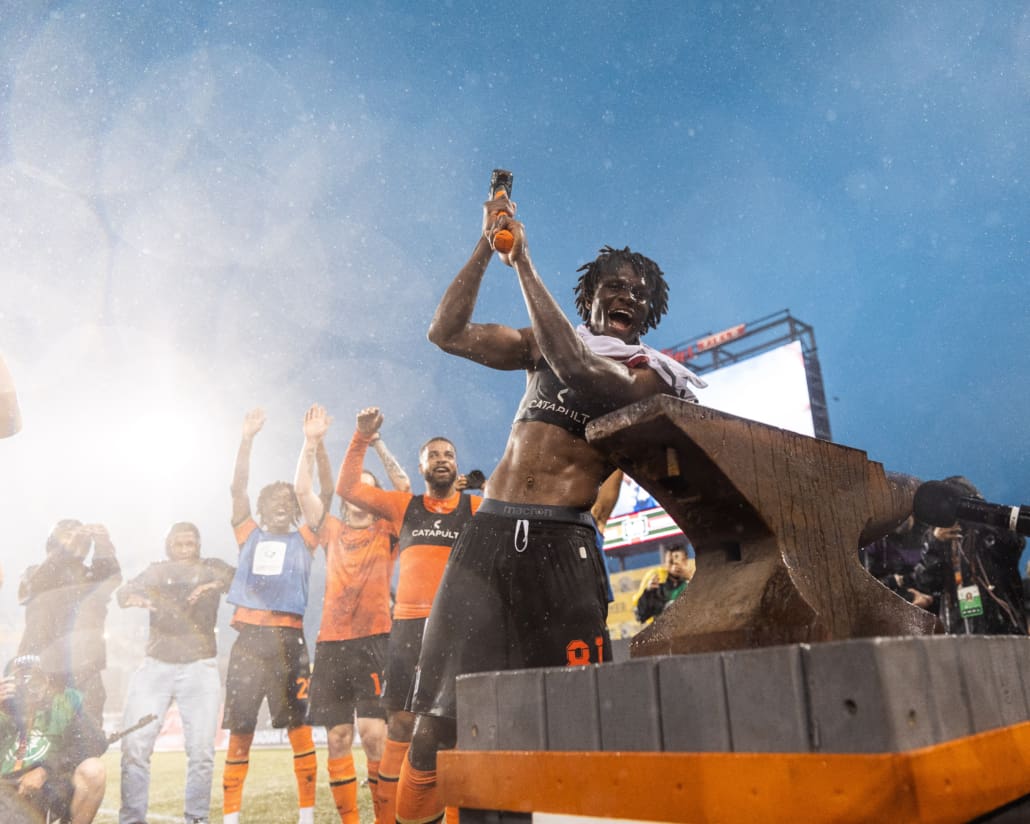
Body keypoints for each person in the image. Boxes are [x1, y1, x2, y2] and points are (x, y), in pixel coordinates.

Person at [399, 189, 706, 823]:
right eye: (615, 285)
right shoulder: (541, 342)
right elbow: (445, 331)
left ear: (649, 315)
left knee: (560, 721)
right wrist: (488, 247)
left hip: (562, 543)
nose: (627, 295)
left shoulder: (653, 373)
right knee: (441, 724)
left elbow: (582, 370)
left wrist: (525, 265)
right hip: (488, 536)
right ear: (589, 295)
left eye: (640, 292)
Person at [336, 407, 481, 824]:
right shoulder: (405, 507)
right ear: (420, 467)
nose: (441, 459)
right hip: (409, 628)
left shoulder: (475, 509)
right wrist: (361, 437)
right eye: (433, 454)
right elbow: (347, 487)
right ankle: (389, 819)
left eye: (448, 455)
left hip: (457, 629)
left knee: (455, 727)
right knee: (400, 723)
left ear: (455, 467)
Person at [293, 404, 409, 824]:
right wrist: (309, 444)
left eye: (367, 489)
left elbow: (402, 485)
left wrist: (374, 441)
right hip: (332, 644)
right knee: (338, 736)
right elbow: (303, 492)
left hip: (376, 642)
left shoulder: (388, 531)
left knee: (374, 735)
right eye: (354, 488)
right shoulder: (331, 531)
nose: (359, 495)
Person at [221, 408, 322, 824]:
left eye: (288, 502)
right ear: (263, 508)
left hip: (288, 642)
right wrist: (246, 440)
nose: (282, 505)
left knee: (298, 727)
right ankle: (230, 817)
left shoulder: (306, 537)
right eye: (273, 501)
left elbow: (305, 492)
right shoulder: (248, 533)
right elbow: (237, 488)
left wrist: (310, 443)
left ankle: (307, 816)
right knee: (241, 730)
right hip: (248, 643)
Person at [116, 522, 235, 824]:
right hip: (156, 664)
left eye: (190, 544)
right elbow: (123, 591)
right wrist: (134, 598)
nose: (184, 551)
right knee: (134, 747)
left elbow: (236, 577)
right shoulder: (156, 571)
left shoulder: (211, 567)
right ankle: (131, 820)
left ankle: (196, 819)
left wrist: (210, 586)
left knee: (202, 753)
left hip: (200, 666)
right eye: (178, 544)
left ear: (198, 546)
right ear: (168, 546)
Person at [18, 521, 121, 725]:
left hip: (84, 663)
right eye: (66, 538)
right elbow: (34, 586)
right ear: (52, 544)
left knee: (89, 731)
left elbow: (112, 577)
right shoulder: (33, 573)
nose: (76, 544)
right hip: (41, 663)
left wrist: (103, 543)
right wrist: (67, 550)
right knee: (37, 729)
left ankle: (87, 758)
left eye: (81, 542)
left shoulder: (91, 577)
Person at [912, 476, 1027, 636]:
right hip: (960, 634)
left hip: (1003, 629)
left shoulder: (988, 530)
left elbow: (1014, 545)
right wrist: (934, 544)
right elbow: (926, 583)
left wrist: (982, 519)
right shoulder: (937, 540)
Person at [0, 654, 107, 824]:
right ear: (8, 684)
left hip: (48, 788)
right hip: (5, 790)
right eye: (22, 680)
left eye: (36, 679)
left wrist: (45, 771)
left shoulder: (62, 705)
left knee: (93, 770)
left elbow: (95, 741)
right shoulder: (2, 709)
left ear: (48, 681)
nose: (30, 687)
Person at [634, 545, 694, 623]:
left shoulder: (693, 580)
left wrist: (690, 579)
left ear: (686, 561)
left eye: (679, 560)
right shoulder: (658, 586)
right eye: (671, 561)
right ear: (665, 564)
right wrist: (648, 593)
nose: (675, 565)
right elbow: (641, 615)